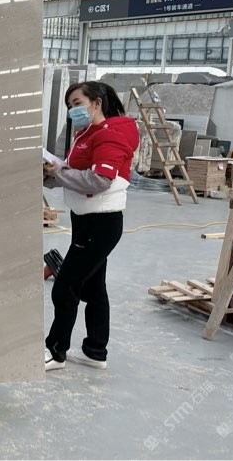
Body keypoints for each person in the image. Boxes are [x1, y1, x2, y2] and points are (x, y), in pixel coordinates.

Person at [42, 81, 139, 372]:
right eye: (70, 106)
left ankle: (55, 351)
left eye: (77, 104)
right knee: (95, 288)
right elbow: (74, 175)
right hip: (85, 220)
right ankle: (95, 351)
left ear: (96, 103)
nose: (73, 110)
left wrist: (60, 171)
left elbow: (99, 180)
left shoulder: (111, 134)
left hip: (100, 223)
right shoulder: (86, 135)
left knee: (65, 287)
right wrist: (50, 173)